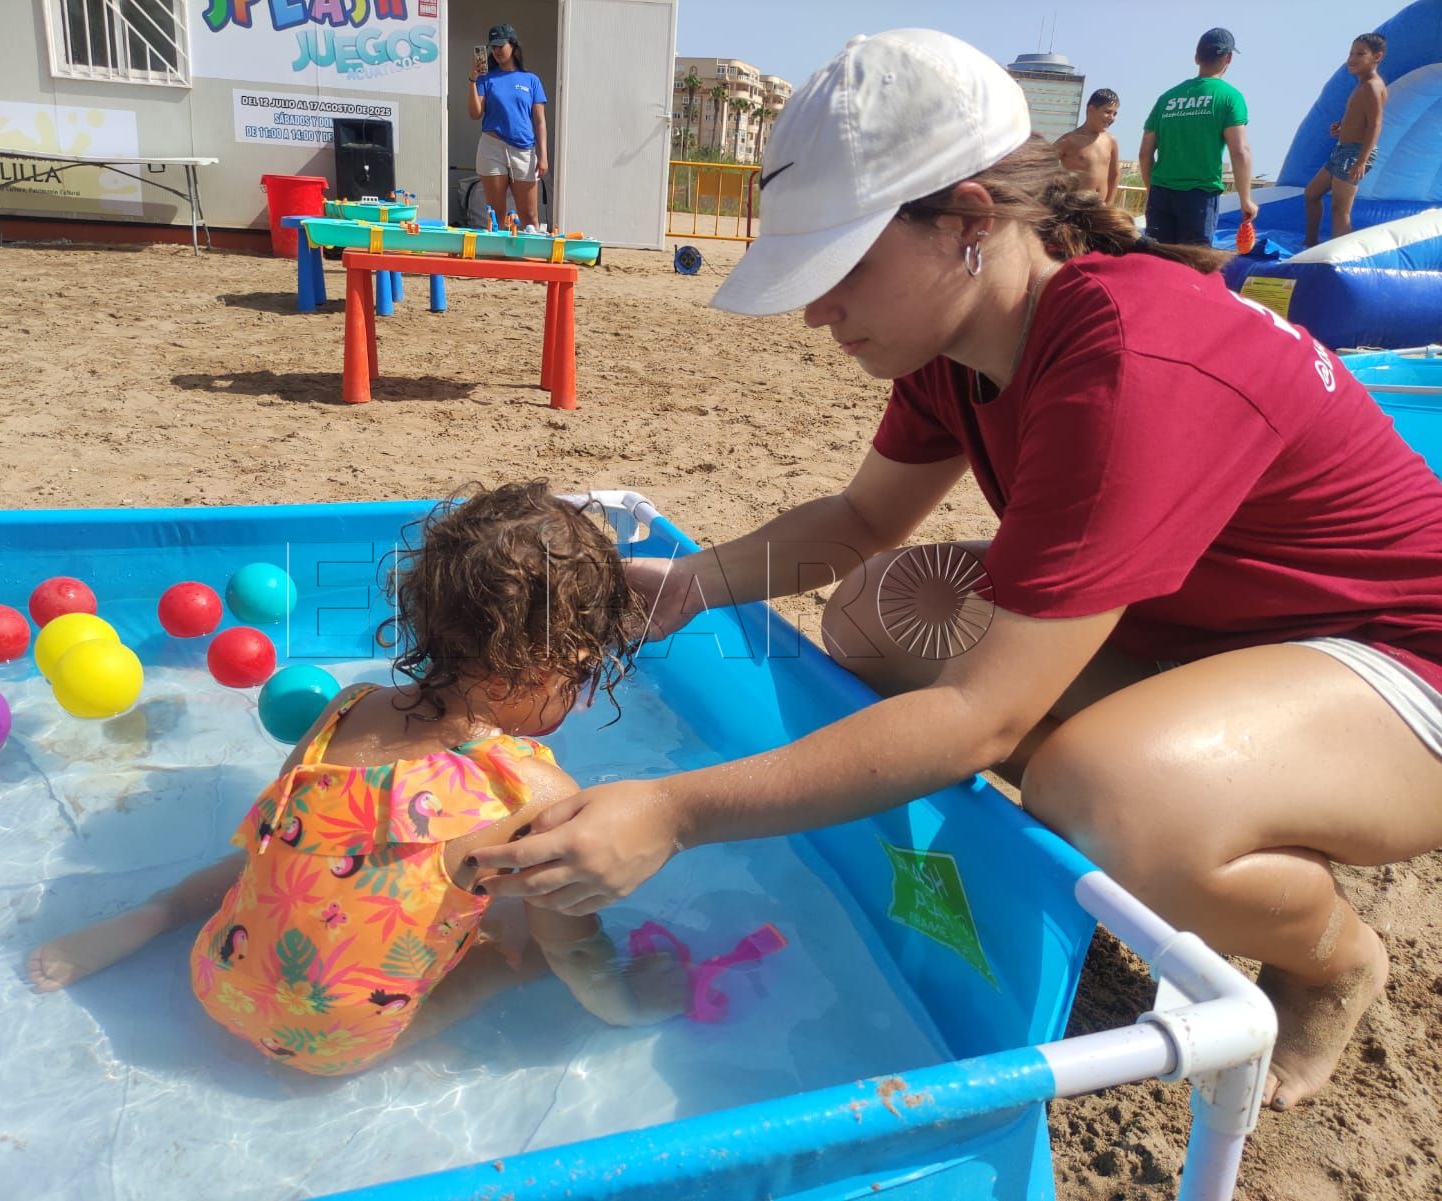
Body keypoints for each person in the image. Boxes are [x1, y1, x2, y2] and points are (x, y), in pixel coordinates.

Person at [472, 29, 1442, 1116]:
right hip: (1209, 629)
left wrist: (672, 810)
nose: (815, 309)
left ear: (969, 221)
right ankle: (1132, 813)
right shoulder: (963, 343)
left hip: (1396, 664)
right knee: (889, 609)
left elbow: (979, 717)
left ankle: (1330, 958)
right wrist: (696, 580)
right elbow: (860, 519)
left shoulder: (1127, 355)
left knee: (1105, 790)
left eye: (841, 267)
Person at [27, 481, 684, 1075]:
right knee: (525, 947)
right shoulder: (532, 792)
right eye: (583, 676)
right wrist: (627, 1004)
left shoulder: (352, 707)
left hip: (217, 973)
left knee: (283, 850)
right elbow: (574, 953)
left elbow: (270, 836)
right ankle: (484, 981)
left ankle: (156, 913)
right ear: (559, 662)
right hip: (327, 1048)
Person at [1139, 28, 1257, 245]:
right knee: (1194, 267)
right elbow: (1240, 151)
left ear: (1197, 57)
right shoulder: (1229, 97)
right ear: (1228, 58)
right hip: (1199, 197)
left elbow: (1145, 153)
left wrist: (1152, 190)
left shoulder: (1167, 98)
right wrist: (1245, 199)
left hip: (1161, 195)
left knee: (1158, 265)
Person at [1303, 33, 1388, 247]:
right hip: (1343, 150)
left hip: (1355, 153)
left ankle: (1338, 255)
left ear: (1377, 56)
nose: (1352, 58)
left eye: (1360, 54)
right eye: (1351, 53)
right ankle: (1310, 243)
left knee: (1340, 209)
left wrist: (1361, 160)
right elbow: (1359, 119)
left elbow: (1375, 124)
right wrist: (1342, 128)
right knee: (1312, 193)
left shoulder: (1372, 86)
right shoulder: (1361, 85)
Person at [467, 23, 549, 231]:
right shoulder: (486, 78)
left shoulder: (531, 80)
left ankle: (529, 261)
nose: (496, 51)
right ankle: (500, 260)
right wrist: (472, 80)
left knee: (529, 216)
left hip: (523, 150)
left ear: (512, 45)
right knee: (497, 214)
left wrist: (543, 156)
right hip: (492, 147)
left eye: (500, 45)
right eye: (492, 47)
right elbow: (475, 113)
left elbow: (539, 121)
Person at [1053, 88, 1121, 206]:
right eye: (1108, 112)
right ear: (1091, 110)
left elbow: (1114, 174)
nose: (1112, 117)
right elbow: (1043, 165)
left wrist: (1109, 203)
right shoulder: (1069, 140)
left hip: (1100, 207)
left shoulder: (1111, 141)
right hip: (1075, 206)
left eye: (1115, 114)